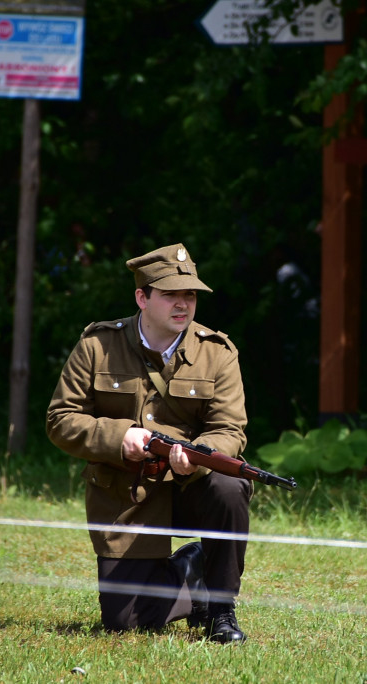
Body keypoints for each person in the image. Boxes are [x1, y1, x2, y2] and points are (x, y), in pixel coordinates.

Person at [46, 243, 252, 644]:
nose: (183, 304)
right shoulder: (97, 345)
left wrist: (200, 456)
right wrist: (118, 437)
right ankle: (191, 571)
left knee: (230, 485)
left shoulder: (218, 352)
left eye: (189, 294)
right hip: (129, 494)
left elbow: (230, 430)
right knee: (125, 622)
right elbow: (60, 419)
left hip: (191, 487)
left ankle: (221, 610)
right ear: (142, 297)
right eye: (171, 294)